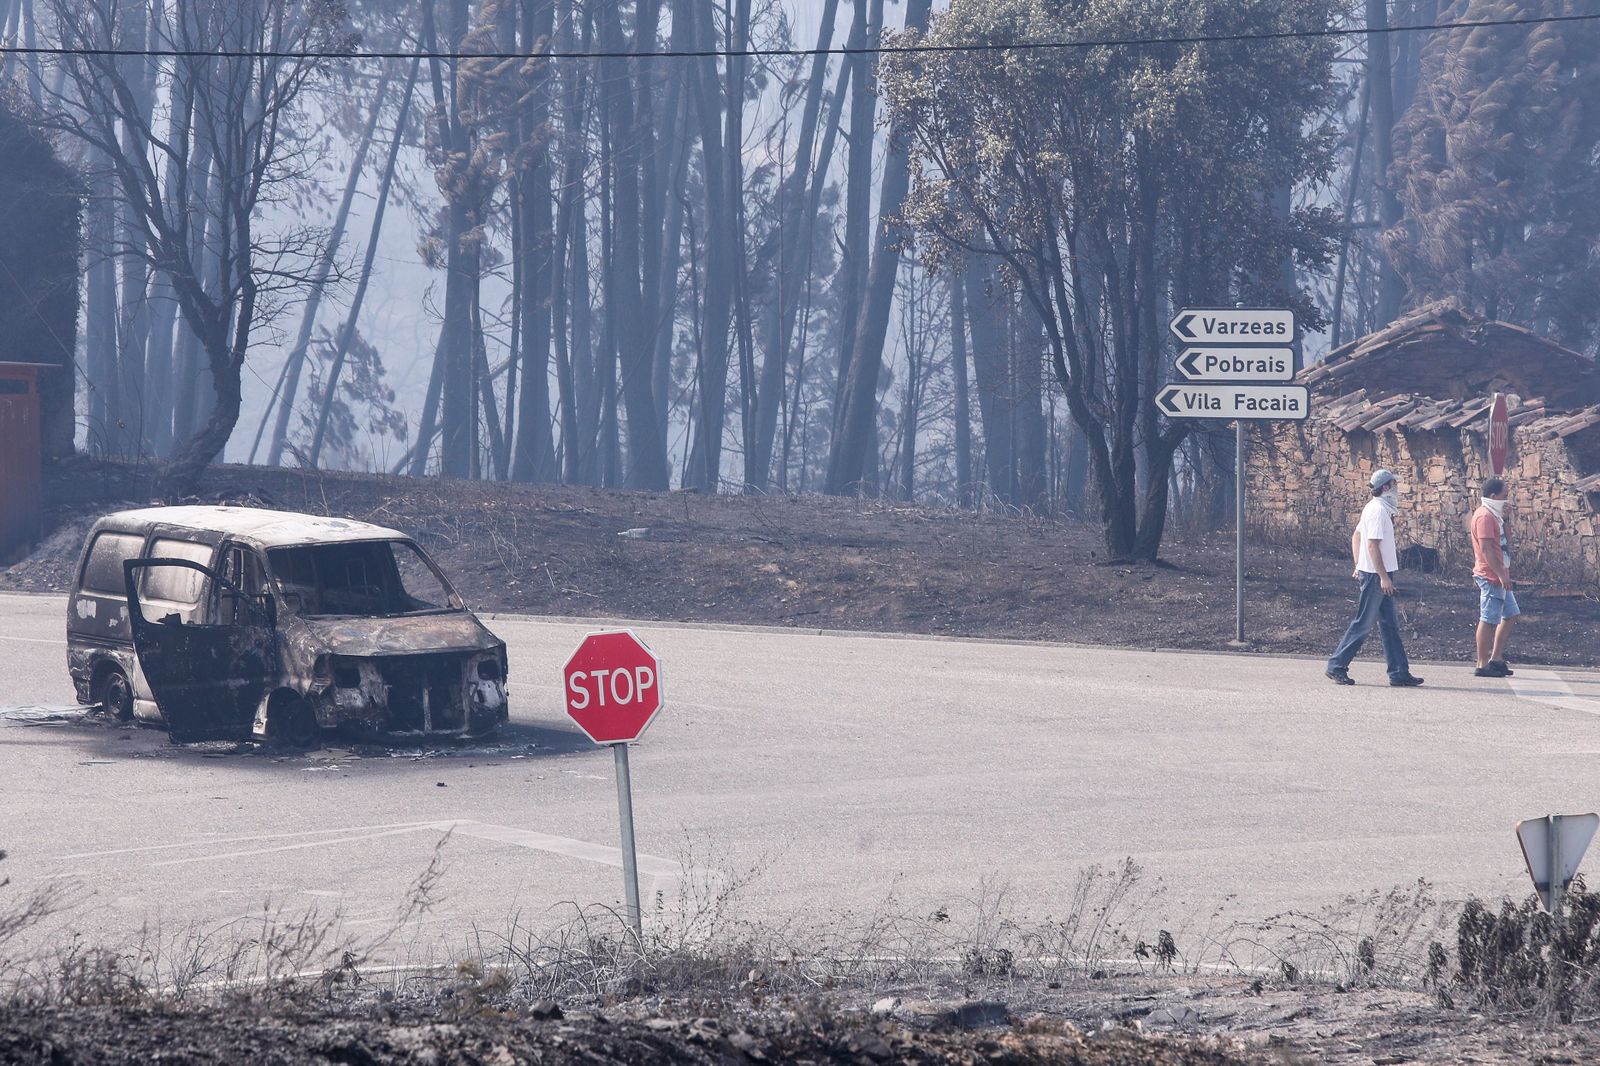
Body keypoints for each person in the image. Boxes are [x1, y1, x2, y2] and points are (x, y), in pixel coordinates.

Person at [1325, 469, 1425, 687]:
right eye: (1394, 484)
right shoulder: (1378, 511)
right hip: (1376, 576)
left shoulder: (1373, 508)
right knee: (1363, 623)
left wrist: (1358, 564)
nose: (1397, 488)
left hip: (1375, 573)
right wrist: (1382, 577)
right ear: (1386, 487)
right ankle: (1336, 665)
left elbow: (1357, 536)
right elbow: (1371, 544)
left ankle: (1399, 672)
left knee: (1390, 625)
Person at [1471, 477, 1519, 678]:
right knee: (1489, 619)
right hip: (1490, 576)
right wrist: (1499, 574)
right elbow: (1486, 549)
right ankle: (1482, 664)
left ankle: (1496, 658)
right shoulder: (1484, 516)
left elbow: (1507, 541)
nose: (1507, 500)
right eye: (1504, 496)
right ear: (1493, 496)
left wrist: (1506, 519)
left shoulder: (1496, 516)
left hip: (1501, 574)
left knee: (1511, 614)